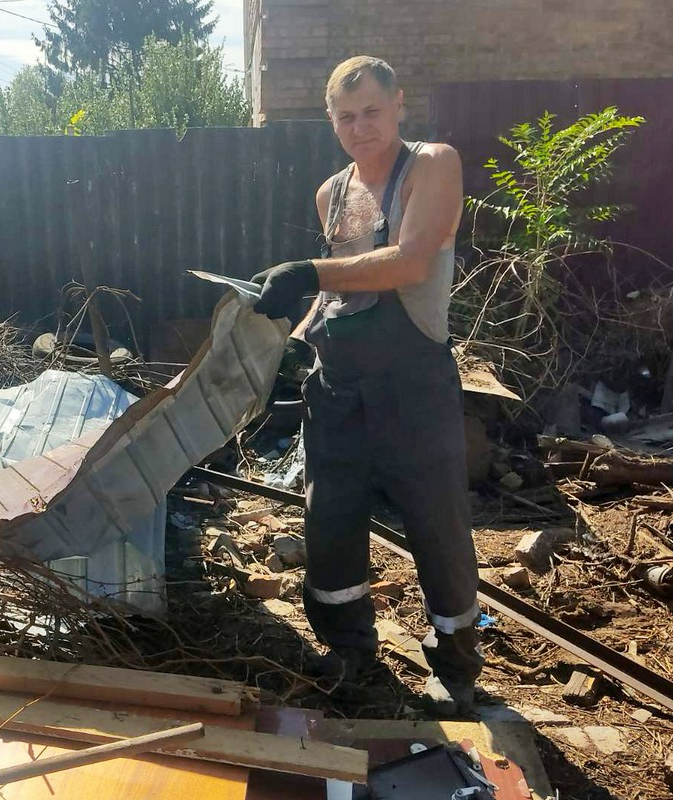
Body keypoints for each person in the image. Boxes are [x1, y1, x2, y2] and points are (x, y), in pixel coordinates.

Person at [252, 55, 483, 714]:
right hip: (338, 393)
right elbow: (337, 296)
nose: (362, 126)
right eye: (347, 116)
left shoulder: (432, 165)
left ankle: (457, 667)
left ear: (398, 104)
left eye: (373, 111)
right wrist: (289, 338)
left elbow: (408, 263)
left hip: (414, 389)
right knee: (329, 523)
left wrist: (308, 271)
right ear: (332, 121)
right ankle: (349, 648)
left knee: (438, 528)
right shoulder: (332, 192)